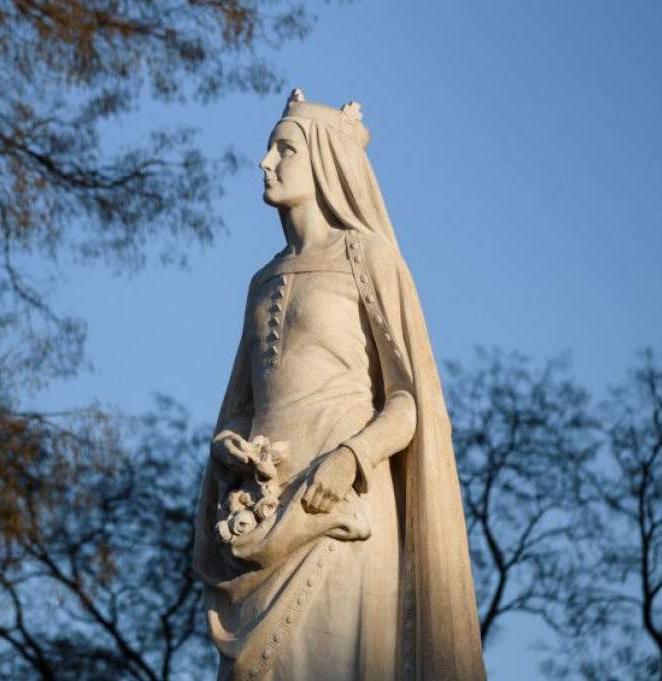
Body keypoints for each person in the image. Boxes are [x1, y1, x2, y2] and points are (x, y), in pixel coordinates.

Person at [192, 89, 486, 681]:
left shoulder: (370, 258)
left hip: (339, 504)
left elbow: (409, 400)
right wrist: (229, 443)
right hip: (261, 511)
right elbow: (242, 405)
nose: (265, 161)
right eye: (269, 148)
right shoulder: (262, 280)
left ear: (326, 161)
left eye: (283, 149)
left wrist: (351, 457)